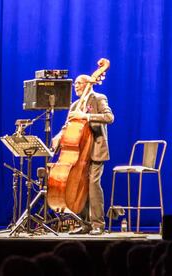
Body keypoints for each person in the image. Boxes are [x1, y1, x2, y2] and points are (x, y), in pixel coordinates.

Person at [52, 74, 114, 235]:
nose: (76, 87)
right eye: (75, 84)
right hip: (78, 154)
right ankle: (85, 224)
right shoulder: (74, 106)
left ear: (89, 83)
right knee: (81, 188)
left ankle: (98, 224)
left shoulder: (99, 98)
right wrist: (59, 135)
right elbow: (67, 126)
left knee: (93, 185)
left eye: (79, 83)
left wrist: (86, 116)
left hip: (95, 150)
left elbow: (109, 117)